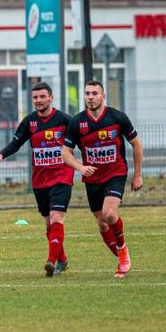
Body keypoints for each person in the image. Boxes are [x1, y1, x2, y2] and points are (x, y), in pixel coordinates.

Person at [61, 80, 144, 278]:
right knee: (102, 223)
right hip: (92, 179)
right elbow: (66, 152)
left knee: (109, 214)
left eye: (94, 93)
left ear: (103, 96)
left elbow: (137, 145)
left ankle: (123, 253)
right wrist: (81, 167)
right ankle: (121, 256)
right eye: (87, 93)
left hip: (116, 173)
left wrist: (138, 175)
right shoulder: (77, 122)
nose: (90, 97)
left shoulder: (117, 117)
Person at [0, 82, 74, 277]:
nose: (38, 101)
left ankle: (51, 262)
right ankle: (62, 259)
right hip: (40, 180)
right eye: (35, 98)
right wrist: (0, 155)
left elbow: (82, 141)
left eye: (42, 97)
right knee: (48, 224)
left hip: (62, 176)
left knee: (56, 219)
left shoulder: (65, 120)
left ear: (51, 98)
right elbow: (16, 143)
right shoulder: (30, 122)